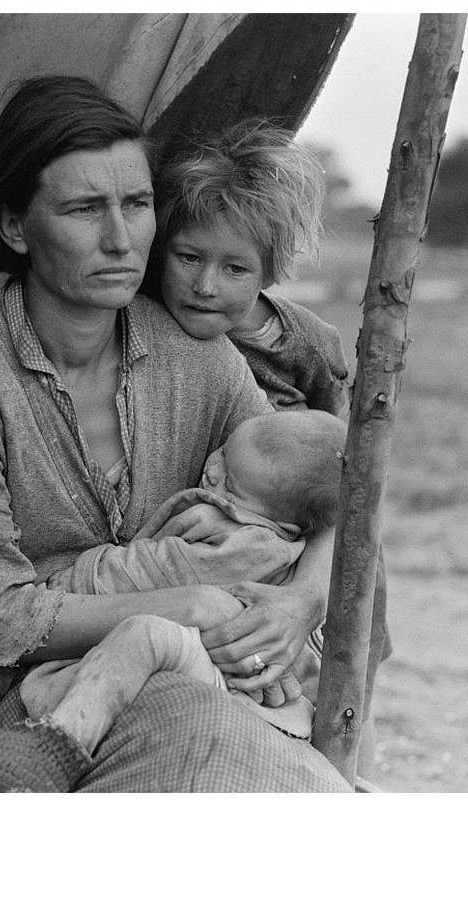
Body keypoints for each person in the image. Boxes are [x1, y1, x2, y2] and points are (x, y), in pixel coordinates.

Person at [0, 75, 351, 792]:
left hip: (200, 672)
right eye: (83, 209)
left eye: (136, 205)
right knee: (210, 739)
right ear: (14, 226)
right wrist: (183, 606)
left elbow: (316, 496)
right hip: (34, 697)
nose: (120, 239)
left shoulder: (200, 357)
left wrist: (302, 601)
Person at [144, 118, 391, 774]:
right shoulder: (145, 326)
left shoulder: (306, 345)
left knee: (344, 686)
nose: (205, 285)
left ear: (270, 270)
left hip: (310, 549)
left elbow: (348, 484)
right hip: (228, 545)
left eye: (235, 268)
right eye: (188, 258)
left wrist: (308, 594)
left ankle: (355, 784)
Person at [0, 408, 347, 792]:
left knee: (144, 637)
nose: (213, 471)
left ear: (286, 523)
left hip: (232, 681)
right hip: (256, 684)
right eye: (224, 451)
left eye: (231, 485)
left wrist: (75, 580)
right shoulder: (270, 502)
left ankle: (57, 747)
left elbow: (147, 573)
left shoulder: (244, 544)